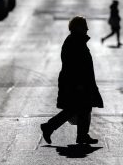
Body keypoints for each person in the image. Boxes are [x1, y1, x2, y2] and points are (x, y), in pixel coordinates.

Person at [40, 16, 104, 144]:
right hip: (76, 82)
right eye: (84, 26)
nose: (87, 28)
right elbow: (73, 65)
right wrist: (79, 84)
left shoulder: (76, 40)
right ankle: (77, 134)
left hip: (78, 82)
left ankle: (53, 127)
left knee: (77, 108)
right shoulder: (74, 42)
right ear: (77, 27)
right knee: (79, 108)